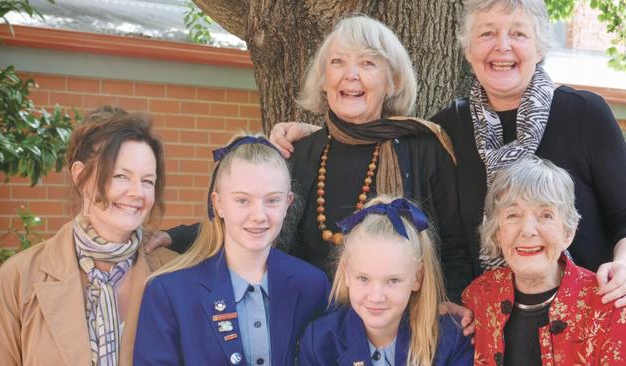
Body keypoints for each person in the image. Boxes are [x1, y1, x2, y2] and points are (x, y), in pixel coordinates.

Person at [270, 0, 626, 310]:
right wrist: (315, 135)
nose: (502, 46)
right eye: (487, 34)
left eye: (517, 33)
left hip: (586, 310)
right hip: (492, 320)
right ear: (468, 50)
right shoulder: (449, 127)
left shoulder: (584, 114)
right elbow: (381, 133)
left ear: (540, 48)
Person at [147, 15, 473, 305]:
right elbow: (250, 222)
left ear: (394, 82)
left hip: (401, 332)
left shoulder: (425, 150)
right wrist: (174, 236)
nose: (351, 75)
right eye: (338, 62)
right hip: (310, 332)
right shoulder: (299, 153)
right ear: (323, 79)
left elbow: (455, 250)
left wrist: (453, 306)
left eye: (368, 64)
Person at [0, 106, 177, 365]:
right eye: (120, 176)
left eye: (148, 181)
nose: (138, 193)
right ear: (81, 177)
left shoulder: (174, 274)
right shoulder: (18, 278)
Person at [133, 136, 329, 366]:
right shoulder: (169, 292)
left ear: (288, 203)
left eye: (272, 200)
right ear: (218, 204)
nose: (259, 215)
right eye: (243, 200)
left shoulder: (313, 285)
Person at [463, 157, 626, 366]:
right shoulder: (479, 297)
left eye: (546, 215)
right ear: (497, 233)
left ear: (568, 231)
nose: (528, 230)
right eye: (513, 214)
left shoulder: (611, 305)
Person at [299, 196, 473, 366]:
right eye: (363, 278)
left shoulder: (451, 339)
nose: (376, 297)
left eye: (393, 280)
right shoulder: (320, 344)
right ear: (346, 273)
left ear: (417, 278)